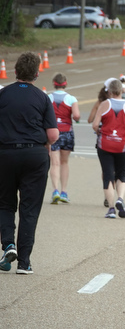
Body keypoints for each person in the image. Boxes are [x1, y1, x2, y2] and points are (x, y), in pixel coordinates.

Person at [0, 52, 58, 275]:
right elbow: (52, 135)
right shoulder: (42, 98)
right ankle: (24, 262)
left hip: (5, 153)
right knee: (29, 208)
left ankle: (8, 245)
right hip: (34, 155)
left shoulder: (3, 95)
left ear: (15, 71)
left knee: (5, 203)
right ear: (37, 73)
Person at [92, 79, 125, 219]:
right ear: (122, 91)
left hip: (105, 143)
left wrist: (100, 133)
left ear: (109, 91)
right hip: (121, 144)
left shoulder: (105, 104)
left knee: (108, 175)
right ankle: (120, 198)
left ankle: (111, 208)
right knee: (121, 173)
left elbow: (95, 124)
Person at [48, 73, 80, 204]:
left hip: (53, 131)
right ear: (65, 83)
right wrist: (74, 118)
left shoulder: (48, 97)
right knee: (64, 163)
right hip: (67, 131)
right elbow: (77, 116)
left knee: (54, 163)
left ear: (54, 83)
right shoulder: (71, 99)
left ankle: (55, 190)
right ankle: (64, 191)